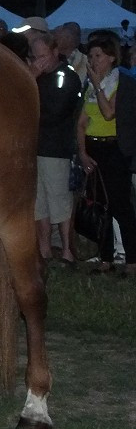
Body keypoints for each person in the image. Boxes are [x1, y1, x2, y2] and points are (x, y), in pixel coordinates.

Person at [76, 30, 136, 273]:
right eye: (91, 56)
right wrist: (82, 153)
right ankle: (106, 258)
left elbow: (109, 113)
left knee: (120, 205)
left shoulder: (120, 82)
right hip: (94, 148)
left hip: (114, 149)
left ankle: (132, 259)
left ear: (112, 57)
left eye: (98, 55)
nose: (93, 61)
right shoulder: (89, 85)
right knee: (101, 206)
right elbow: (81, 122)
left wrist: (99, 85)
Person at [26, 31, 82, 266]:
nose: (40, 60)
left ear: (54, 52)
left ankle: (68, 251)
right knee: (39, 203)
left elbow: (55, 112)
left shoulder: (66, 77)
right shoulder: (36, 76)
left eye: (43, 55)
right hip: (35, 149)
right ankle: (45, 250)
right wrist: (33, 75)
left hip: (56, 149)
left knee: (59, 200)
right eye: (35, 56)